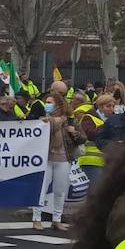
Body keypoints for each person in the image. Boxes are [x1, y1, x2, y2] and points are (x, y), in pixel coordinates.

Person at [32, 89, 81, 232]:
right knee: (41, 189)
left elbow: (82, 138)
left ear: (58, 105)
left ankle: (57, 220)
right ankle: (36, 219)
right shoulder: (42, 121)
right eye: (46, 102)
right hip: (45, 159)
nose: (46, 105)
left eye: (50, 103)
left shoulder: (70, 121)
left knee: (60, 191)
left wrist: (74, 132)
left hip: (63, 159)